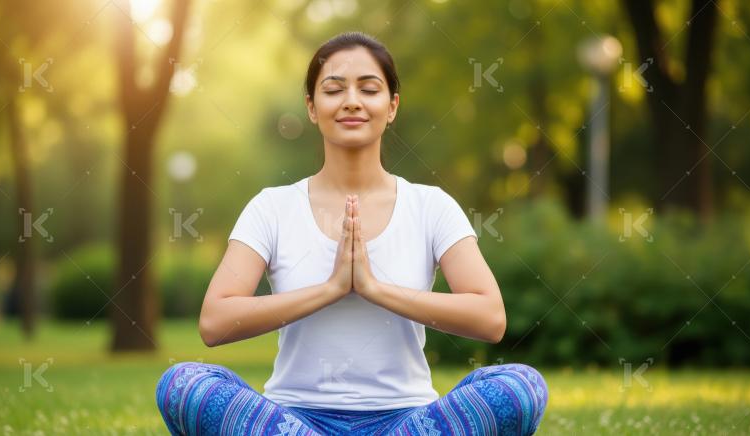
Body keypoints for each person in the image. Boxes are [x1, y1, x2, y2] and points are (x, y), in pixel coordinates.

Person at [156, 31, 548, 435]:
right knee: (183, 384)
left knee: (520, 386)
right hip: (293, 422)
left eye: (369, 88)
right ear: (312, 107)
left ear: (392, 106)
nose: (352, 101)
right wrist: (331, 289)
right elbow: (215, 321)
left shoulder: (430, 206)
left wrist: (375, 288)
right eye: (333, 89)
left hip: (408, 422)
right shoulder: (272, 207)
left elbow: (490, 318)